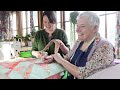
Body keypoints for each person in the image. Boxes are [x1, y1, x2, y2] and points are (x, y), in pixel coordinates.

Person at [53, 11, 115, 79]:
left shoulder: (105, 46)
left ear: (95, 28)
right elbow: (68, 58)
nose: (77, 30)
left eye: (82, 26)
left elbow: (83, 74)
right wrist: (53, 58)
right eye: (77, 25)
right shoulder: (79, 41)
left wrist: (61, 60)